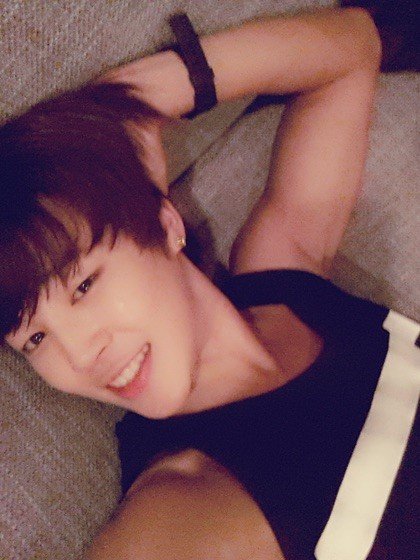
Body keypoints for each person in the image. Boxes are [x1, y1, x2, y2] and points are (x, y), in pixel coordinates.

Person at [0, 5, 418, 560]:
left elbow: (353, 49)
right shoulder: (180, 502)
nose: (79, 355)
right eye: (35, 339)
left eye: (83, 286)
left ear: (165, 225)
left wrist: (135, 100)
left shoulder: (283, 275)